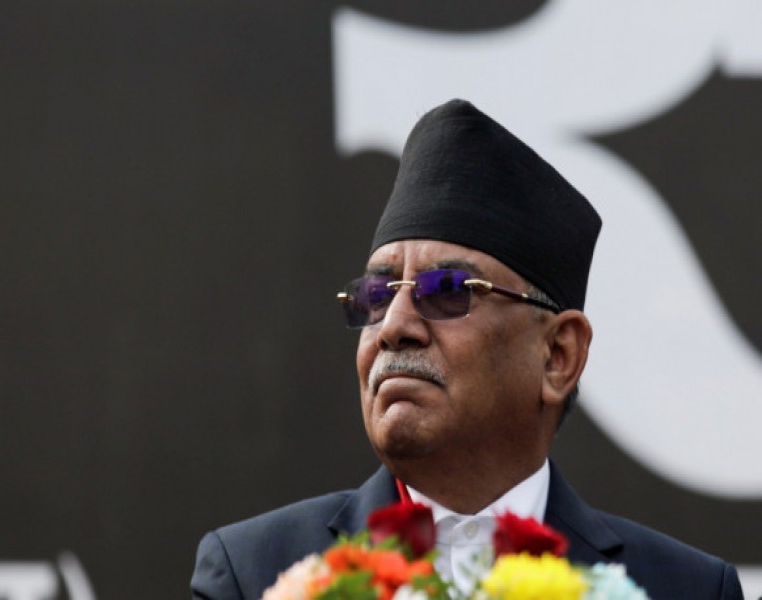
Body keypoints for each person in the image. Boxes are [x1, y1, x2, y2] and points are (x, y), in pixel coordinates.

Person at [190, 99, 744, 599]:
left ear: (558, 356)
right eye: (378, 294)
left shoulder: (681, 589)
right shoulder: (260, 573)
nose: (395, 326)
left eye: (448, 290)